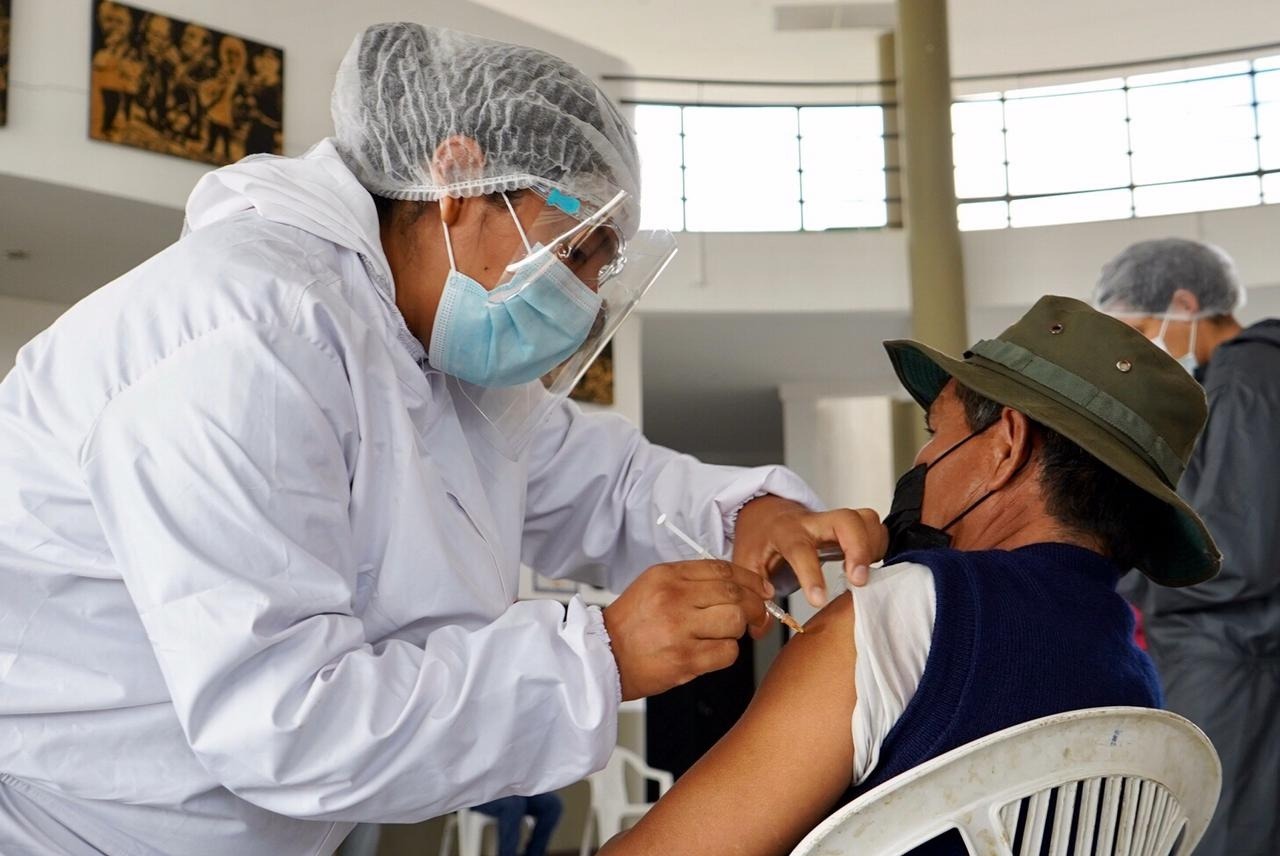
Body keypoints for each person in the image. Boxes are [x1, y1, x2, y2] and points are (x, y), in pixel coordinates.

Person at [0, 23, 884, 856]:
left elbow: (597, 480)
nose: (580, 297)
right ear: (458, 178)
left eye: (600, 266)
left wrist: (748, 513)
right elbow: (284, 722)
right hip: (70, 830)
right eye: (573, 248)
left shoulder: (424, 356)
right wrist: (600, 656)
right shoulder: (246, 338)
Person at [599, 296, 1221, 856]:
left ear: (1006, 444)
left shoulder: (908, 605)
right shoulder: (1136, 681)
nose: (921, 459)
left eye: (936, 432)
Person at [1095, 238, 1280, 856]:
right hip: (1235, 655)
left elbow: (1236, 554)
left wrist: (1118, 572)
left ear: (1183, 302)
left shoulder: (1245, 386)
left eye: (1142, 329)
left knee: (1219, 831)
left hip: (1232, 660)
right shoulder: (1247, 380)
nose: (1142, 351)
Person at [471, 792, 563, 856]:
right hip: (477, 794)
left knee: (552, 804)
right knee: (514, 804)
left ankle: (534, 853)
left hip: (512, 790)